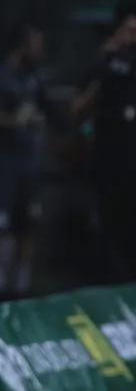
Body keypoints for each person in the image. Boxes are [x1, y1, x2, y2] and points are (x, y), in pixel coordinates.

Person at [72, 0, 136, 284]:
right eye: (132, 32)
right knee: (111, 234)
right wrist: (106, 69)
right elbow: (78, 110)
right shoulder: (104, 63)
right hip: (111, 161)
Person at [0, 21, 49, 299]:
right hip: (4, 168)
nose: (40, 50)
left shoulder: (34, 79)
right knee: (4, 228)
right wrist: (15, 119)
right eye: (36, 43)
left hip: (29, 167)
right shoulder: (3, 76)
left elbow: (49, 110)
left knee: (29, 223)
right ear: (22, 45)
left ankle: (22, 286)